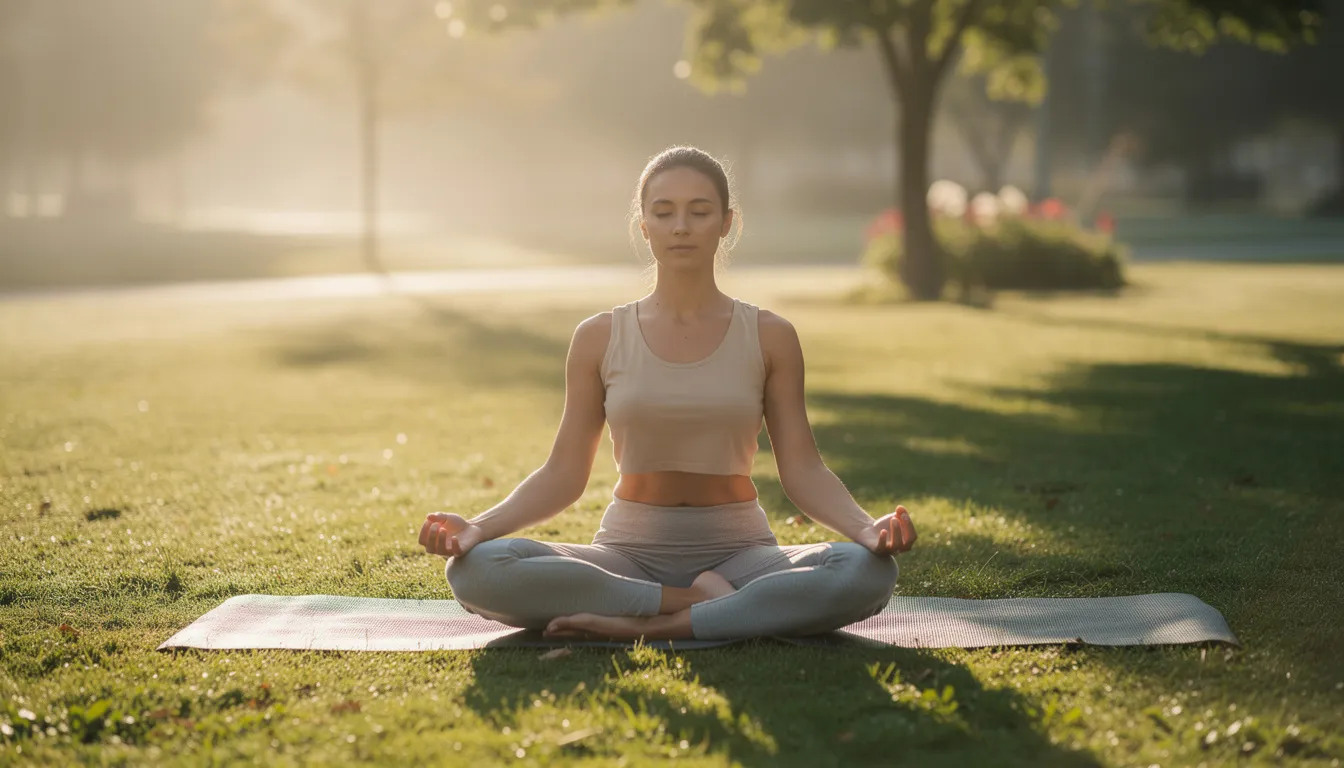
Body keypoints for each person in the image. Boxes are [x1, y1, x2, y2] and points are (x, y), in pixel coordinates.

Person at [416, 146, 917, 641]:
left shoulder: (770, 335)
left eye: (699, 212)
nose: (681, 226)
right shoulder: (599, 336)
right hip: (627, 556)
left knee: (866, 570)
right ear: (644, 227)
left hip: (741, 554)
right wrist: (477, 529)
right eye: (664, 212)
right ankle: (692, 605)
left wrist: (867, 531)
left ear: (726, 223)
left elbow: (804, 469)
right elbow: (564, 473)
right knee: (477, 569)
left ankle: (659, 624)